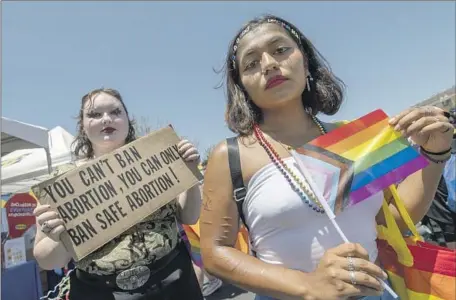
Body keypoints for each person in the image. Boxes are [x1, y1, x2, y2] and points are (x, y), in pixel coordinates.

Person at [199, 14, 454, 300]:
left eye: (280, 50)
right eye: (251, 63)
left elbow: (393, 219)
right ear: (242, 86)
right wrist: (309, 286)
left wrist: (435, 153)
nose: (269, 64)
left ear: (305, 61)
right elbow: (216, 253)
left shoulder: (355, 136)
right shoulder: (230, 156)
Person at [33, 88, 204, 300]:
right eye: (95, 114)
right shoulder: (62, 183)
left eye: (115, 112)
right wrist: (55, 236)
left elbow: (189, 216)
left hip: (172, 282)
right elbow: (50, 261)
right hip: (99, 292)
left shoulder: (158, 158)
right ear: (83, 126)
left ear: (127, 120)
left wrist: (189, 174)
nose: (107, 119)